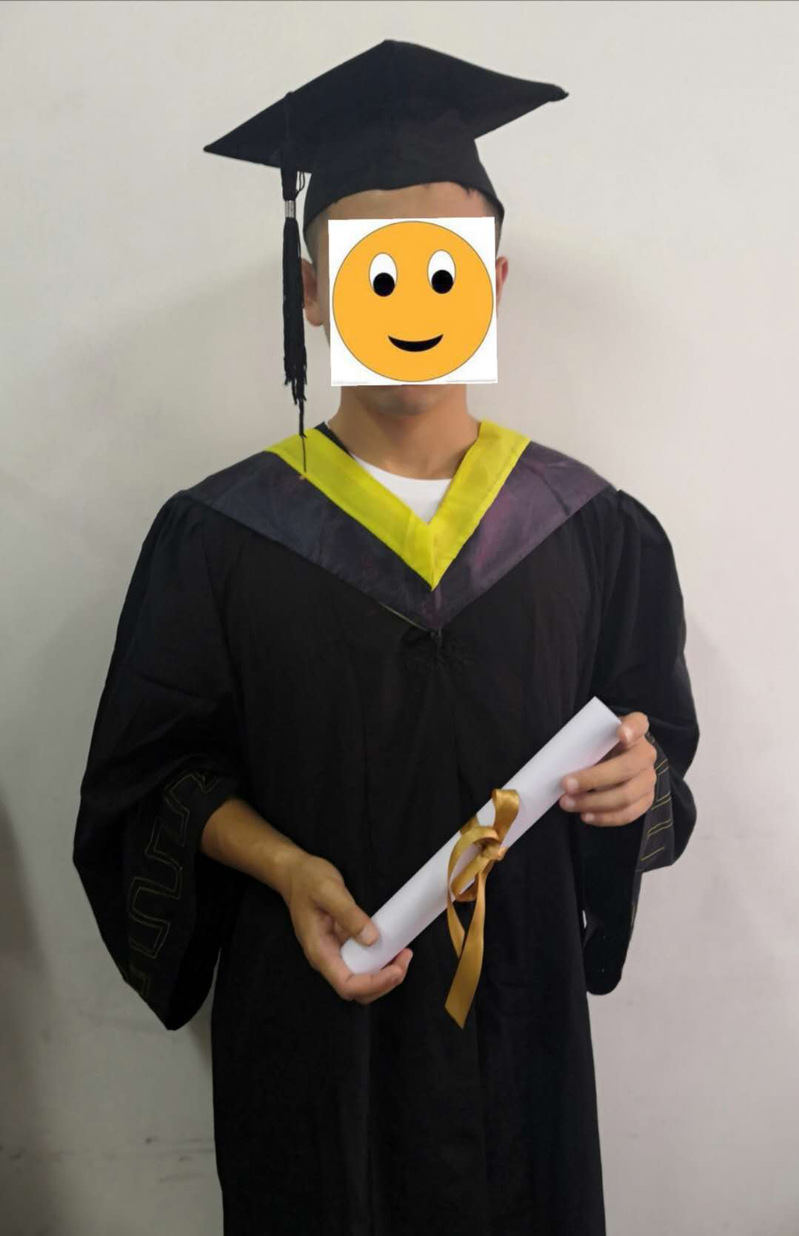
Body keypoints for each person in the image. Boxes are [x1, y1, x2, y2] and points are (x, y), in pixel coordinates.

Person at [73, 39, 700, 1236]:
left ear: (492, 284)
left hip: (521, 1042)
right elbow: (152, 778)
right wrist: (285, 868)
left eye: (442, 268)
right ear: (314, 290)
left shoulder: (588, 529)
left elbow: (654, 750)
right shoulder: (220, 535)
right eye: (374, 270)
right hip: (314, 1038)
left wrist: (638, 782)